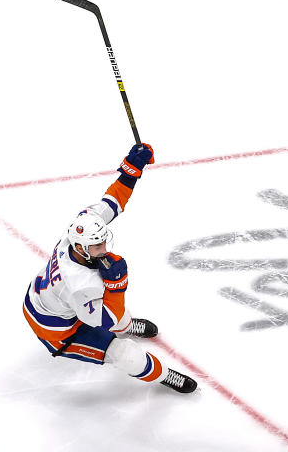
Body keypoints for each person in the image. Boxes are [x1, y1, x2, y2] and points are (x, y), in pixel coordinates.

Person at [22, 143, 198, 393]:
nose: (103, 248)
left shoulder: (78, 230)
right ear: (82, 249)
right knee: (126, 354)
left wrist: (131, 169)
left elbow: (112, 201)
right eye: (96, 246)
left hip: (48, 301)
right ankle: (165, 375)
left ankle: (129, 326)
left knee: (120, 317)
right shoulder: (79, 285)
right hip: (57, 331)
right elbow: (107, 320)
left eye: (102, 241)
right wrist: (118, 284)